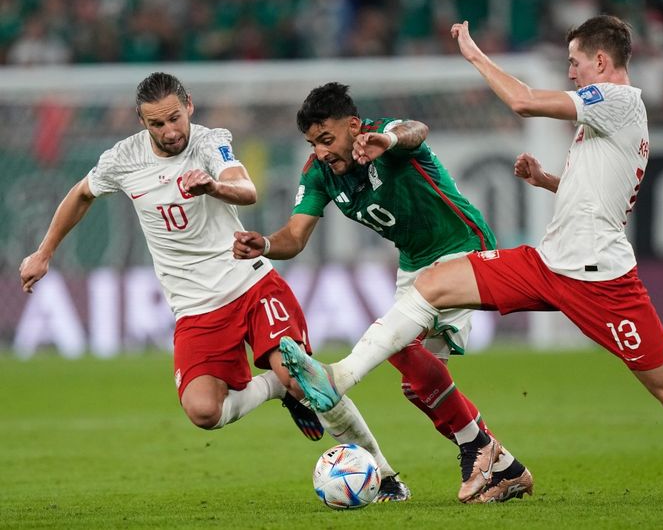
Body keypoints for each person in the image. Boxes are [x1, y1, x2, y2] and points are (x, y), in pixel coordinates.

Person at [279, 16, 663, 499]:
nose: (569, 73)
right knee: (432, 284)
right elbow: (598, 190)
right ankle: (342, 375)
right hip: (551, 264)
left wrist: (474, 55)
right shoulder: (604, 122)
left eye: (573, 62)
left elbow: (523, 102)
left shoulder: (618, 100)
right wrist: (547, 181)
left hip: (598, 278)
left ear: (599, 60)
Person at [18, 72, 410, 502]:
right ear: (141, 121)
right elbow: (81, 194)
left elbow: (246, 189)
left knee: (305, 381)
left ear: (189, 105)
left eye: (174, 118)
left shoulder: (209, 141)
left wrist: (213, 186)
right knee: (205, 412)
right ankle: (275, 387)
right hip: (194, 308)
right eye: (156, 124)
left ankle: (386, 476)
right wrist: (44, 252)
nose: (170, 132)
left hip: (251, 285)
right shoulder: (122, 159)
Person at [232, 82, 533, 504]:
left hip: (462, 246)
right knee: (417, 381)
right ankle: (505, 468)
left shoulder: (383, 137)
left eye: (327, 139)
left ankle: (469, 442)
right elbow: (296, 237)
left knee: (400, 345)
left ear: (354, 126)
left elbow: (416, 129)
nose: (320, 151)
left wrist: (387, 139)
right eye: (312, 143)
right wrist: (263, 244)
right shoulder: (318, 172)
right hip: (414, 263)